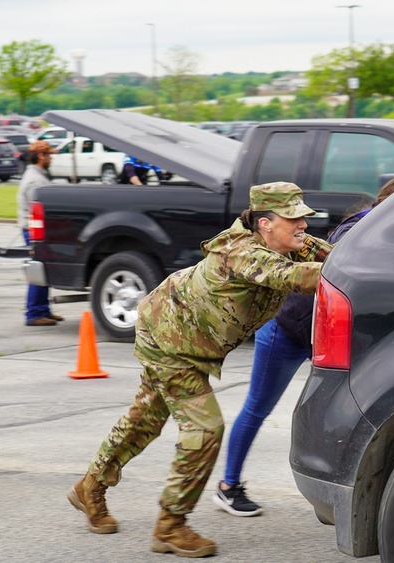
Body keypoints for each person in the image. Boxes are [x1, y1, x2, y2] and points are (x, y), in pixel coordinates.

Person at [67, 182, 331, 558]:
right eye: (295, 219)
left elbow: (334, 255)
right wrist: (348, 273)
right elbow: (292, 277)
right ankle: (170, 527)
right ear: (266, 223)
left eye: (305, 218)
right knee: (205, 428)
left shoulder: (287, 241)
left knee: (145, 419)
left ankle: (89, 487)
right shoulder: (242, 252)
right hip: (168, 338)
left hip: (190, 341)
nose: (304, 225)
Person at [213, 176, 394, 516]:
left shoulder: (385, 229)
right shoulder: (358, 232)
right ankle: (228, 486)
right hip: (288, 329)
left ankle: (349, 488)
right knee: (258, 406)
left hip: (327, 334)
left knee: (346, 408)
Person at [17, 141, 63, 327]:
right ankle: (34, 313)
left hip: (36, 230)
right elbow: (39, 210)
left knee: (43, 270)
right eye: (49, 155)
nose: (51, 158)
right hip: (35, 232)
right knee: (38, 269)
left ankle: (43, 310)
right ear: (41, 156)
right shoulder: (35, 181)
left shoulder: (39, 176)